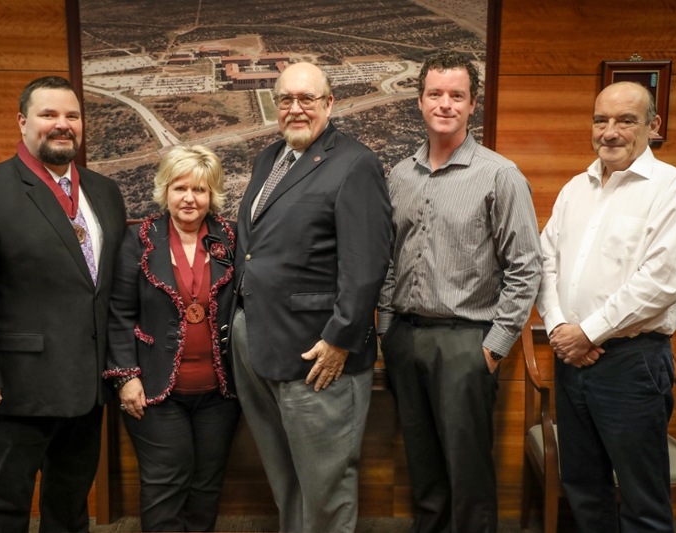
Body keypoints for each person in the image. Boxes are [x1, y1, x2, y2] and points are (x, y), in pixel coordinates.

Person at [0, 76, 127, 532]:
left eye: (72, 116)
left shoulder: (104, 193)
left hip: (85, 388)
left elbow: (104, 289)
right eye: (49, 115)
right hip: (12, 391)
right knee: (2, 509)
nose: (62, 125)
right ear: (22, 122)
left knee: (70, 508)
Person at [377, 50, 542, 533]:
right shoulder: (400, 175)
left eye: (457, 95)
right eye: (435, 94)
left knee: (468, 473)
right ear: (420, 101)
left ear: (473, 105)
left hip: (466, 342)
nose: (445, 104)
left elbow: (525, 268)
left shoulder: (500, 175)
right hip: (406, 337)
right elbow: (391, 257)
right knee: (423, 467)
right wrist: (387, 331)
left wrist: (492, 349)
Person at [536, 81, 676, 533]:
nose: (609, 132)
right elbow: (544, 261)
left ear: (653, 126)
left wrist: (587, 332)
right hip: (570, 360)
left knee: (642, 501)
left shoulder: (675, 188)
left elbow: (663, 282)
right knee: (583, 489)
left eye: (625, 120)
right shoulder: (576, 187)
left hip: (632, 365)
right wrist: (559, 329)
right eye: (600, 120)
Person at [231, 62, 392, 533]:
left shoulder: (355, 163)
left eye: (307, 99)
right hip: (258, 341)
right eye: (286, 99)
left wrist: (341, 338)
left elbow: (366, 265)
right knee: (287, 477)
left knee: (325, 485)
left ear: (329, 104)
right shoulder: (269, 158)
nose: (296, 108)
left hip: (318, 352)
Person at [105, 145, 240, 532]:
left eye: (200, 190)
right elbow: (119, 313)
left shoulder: (229, 239)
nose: (189, 198)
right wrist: (126, 376)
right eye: (180, 188)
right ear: (165, 190)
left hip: (221, 392)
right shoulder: (140, 240)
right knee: (166, 483)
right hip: (155, 389)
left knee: (207, 485)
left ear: (212, 194)